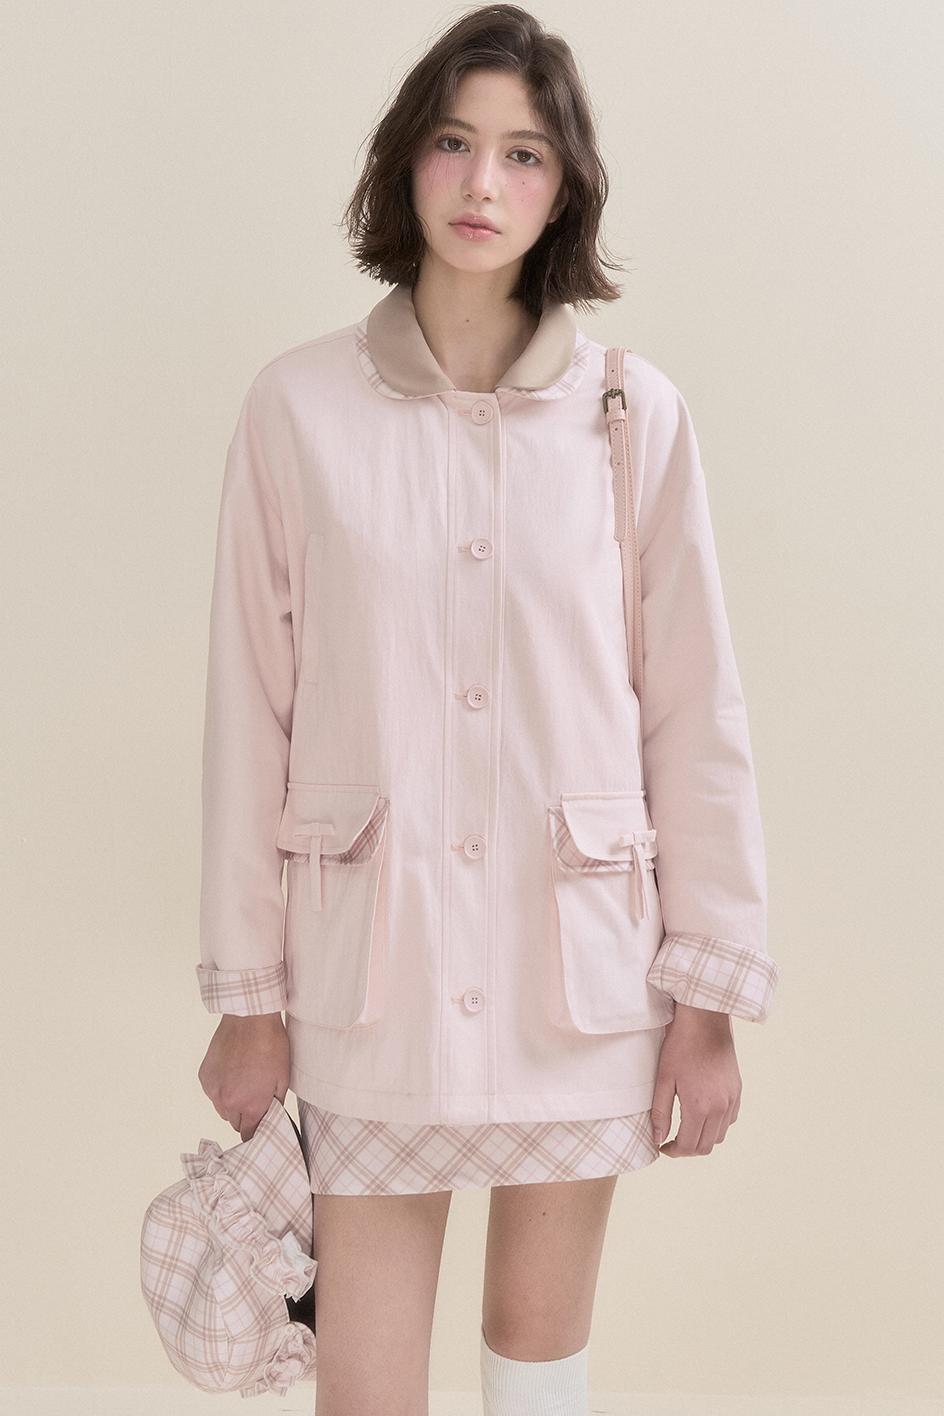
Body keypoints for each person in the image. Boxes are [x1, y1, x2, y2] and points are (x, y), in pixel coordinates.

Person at [195, 5, 781, 1413]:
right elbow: (249, 716)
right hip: (372, 980)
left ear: (564, 187)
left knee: (538, 1363)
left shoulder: (632, 415)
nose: (480, 184)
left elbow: (694, 714)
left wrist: (707, 1003)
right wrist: (249, 1000)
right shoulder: (298, 409)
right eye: (453, 143)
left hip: (577, 979)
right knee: (367, 1385)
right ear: (405, 162)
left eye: (524, 155)